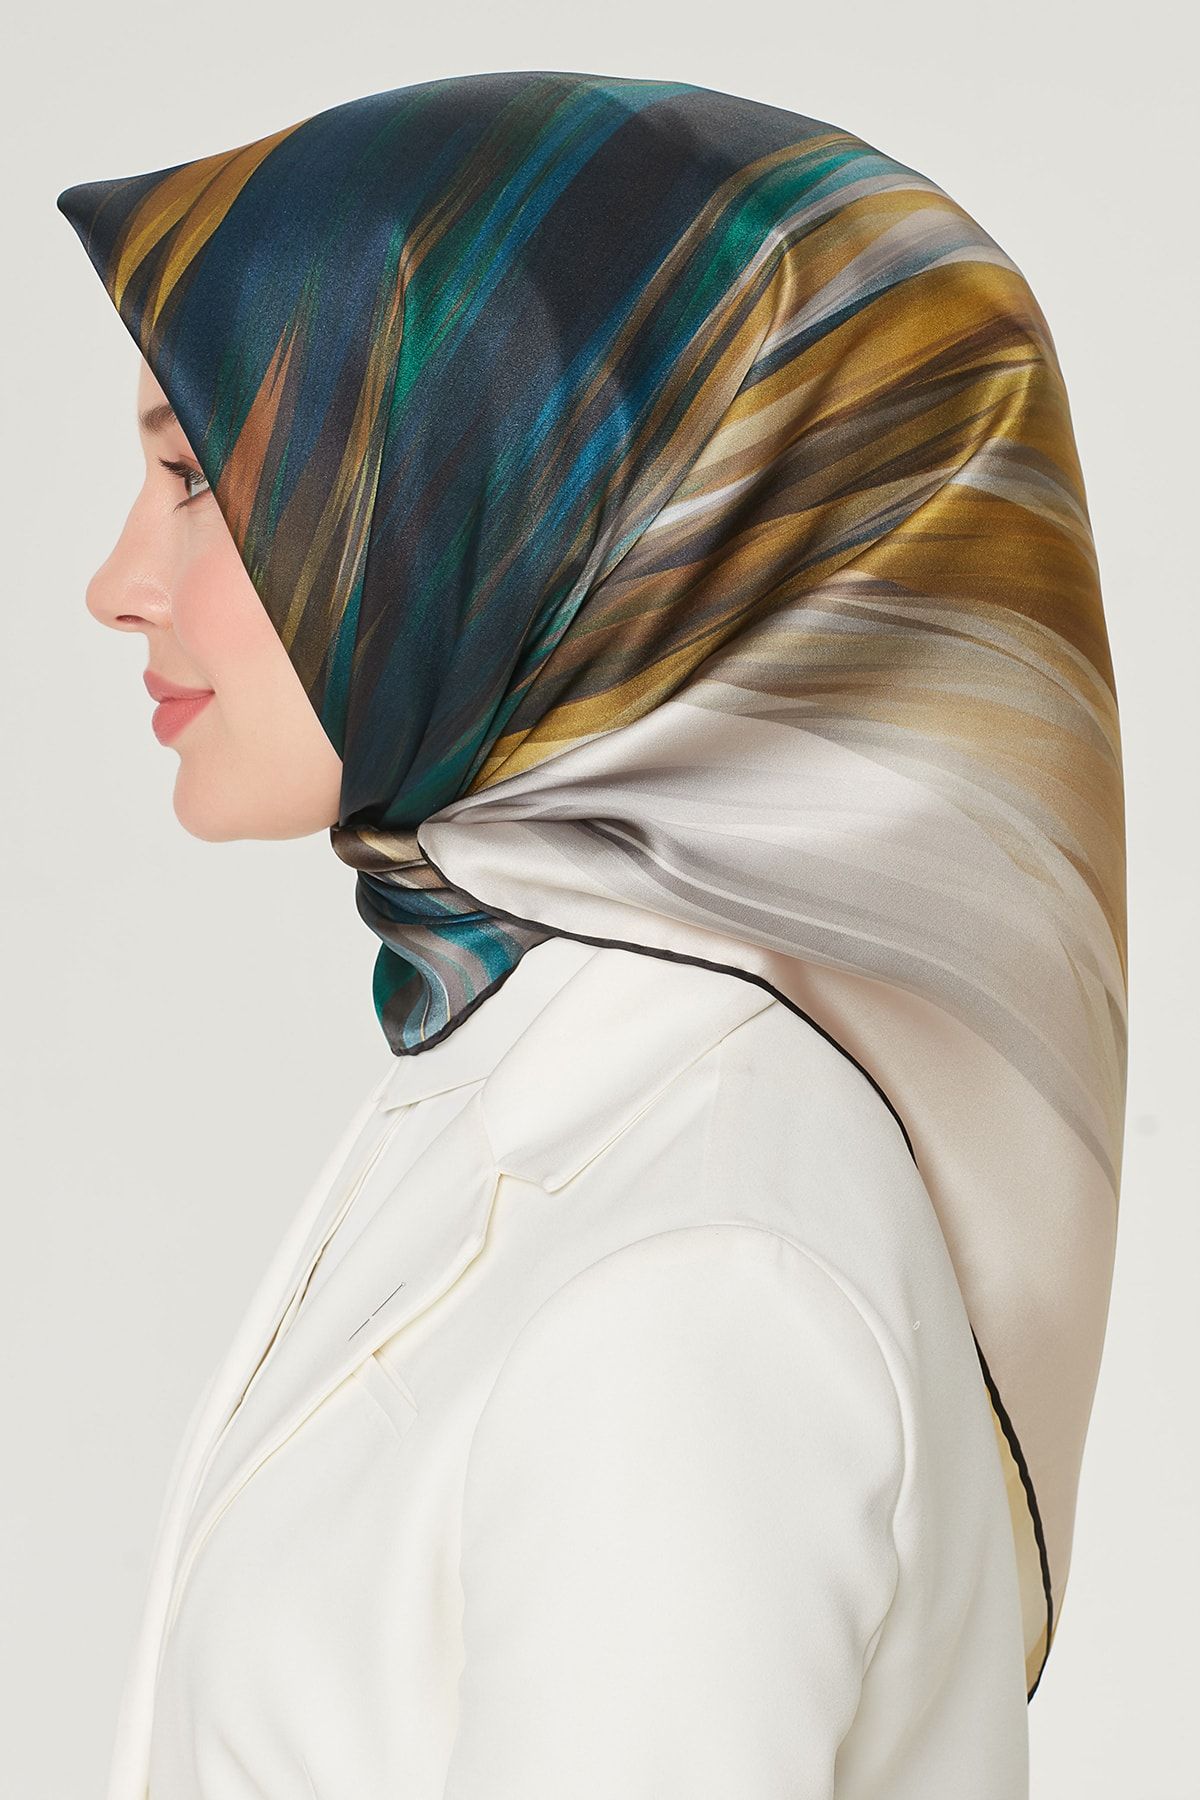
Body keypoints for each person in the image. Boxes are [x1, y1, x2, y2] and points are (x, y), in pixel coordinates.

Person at [58, 70, 1128, 1800]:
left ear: (518, 502)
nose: (115, 584)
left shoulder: (693, 1277)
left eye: (193, 477)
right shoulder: (553, 1090)